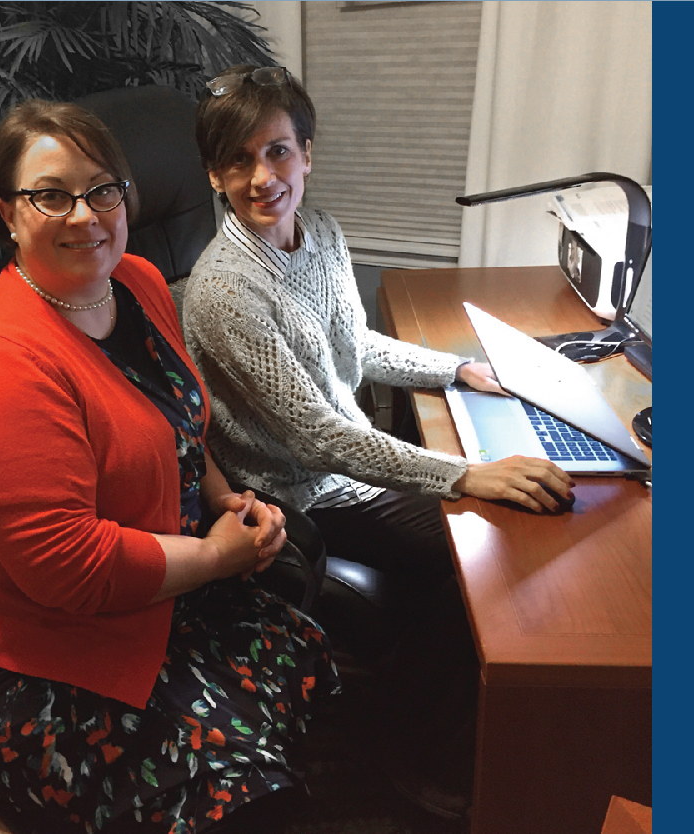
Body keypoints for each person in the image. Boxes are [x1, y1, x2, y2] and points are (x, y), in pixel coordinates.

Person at [0, 99, 338, 834]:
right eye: (51, 195)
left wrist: (223, 501)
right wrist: (217, 559)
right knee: (234, 790)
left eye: (103, 190)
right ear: (7, 212)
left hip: (133, 574)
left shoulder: (137, 283)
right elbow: (68, 568)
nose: (85, 216)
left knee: (293, 647)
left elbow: (181, 423)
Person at [177, 65, 574, 818]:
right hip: (297, 493)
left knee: (490, 534)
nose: (263, 177)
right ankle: (415, 754)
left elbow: (353, 345)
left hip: (346, 462)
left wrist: (458, 369)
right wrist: (463, 476)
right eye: (239, 160)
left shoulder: (320, 234)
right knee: (488, 551)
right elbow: (318, 438)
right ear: (214, 173)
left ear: (308, 153)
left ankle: (428, 703)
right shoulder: (225, 292)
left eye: (278, 152)